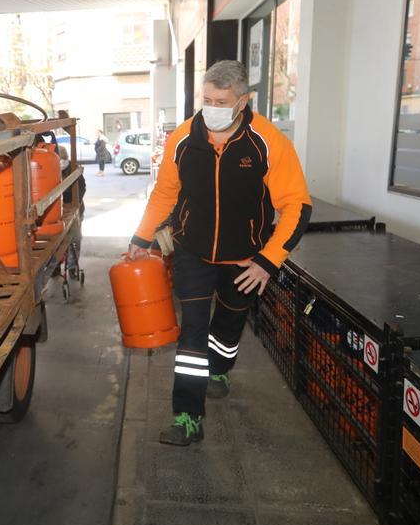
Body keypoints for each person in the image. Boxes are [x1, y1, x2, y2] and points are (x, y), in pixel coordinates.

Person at [129, 60, 311, 446]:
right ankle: (187, 417)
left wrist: (268, 259)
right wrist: (141, 237)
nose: (210, 106)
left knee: (228, 324)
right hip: (192, 251)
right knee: (192, 333)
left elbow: (297, 204)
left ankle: (221, 367)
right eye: (206, 99)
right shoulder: (182, 139)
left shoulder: (268, 142)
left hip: (245, 259)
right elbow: (165, 193)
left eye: (220, 100)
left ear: (242, 101)